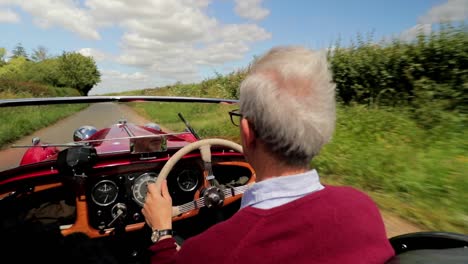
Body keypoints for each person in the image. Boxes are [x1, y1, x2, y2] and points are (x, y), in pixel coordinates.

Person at [142, 46, 395, 263]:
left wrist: (161, 230)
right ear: (323, 129)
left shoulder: (216, 251)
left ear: (247, 131)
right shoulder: (363, 208)